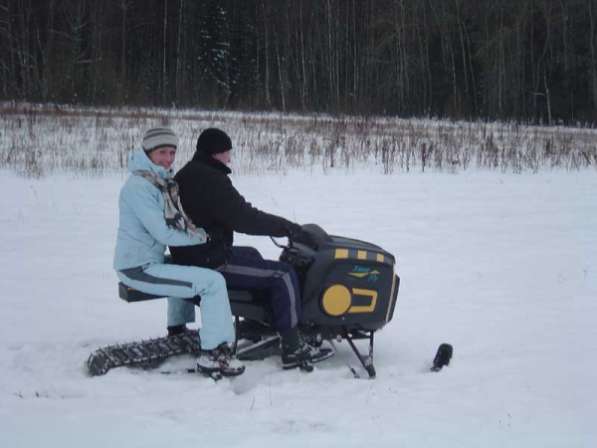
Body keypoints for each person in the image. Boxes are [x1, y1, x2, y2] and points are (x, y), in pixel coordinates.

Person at [169, 128, 334, 370]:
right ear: (217, 153)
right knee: (283, 275)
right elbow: (244, 218)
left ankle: (260, 321)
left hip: (193, 252)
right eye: (227, 153)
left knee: (252, 256)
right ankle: (292, 346)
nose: (230, 158)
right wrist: (287, 227)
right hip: (208, 260)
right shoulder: (211, 180)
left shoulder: (190, 172)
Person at [113, 127, 244, 377]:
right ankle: (215, 354)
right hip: (137, 267)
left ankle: (177, 330)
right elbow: (162, 233)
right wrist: (202, 237)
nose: (168, 159)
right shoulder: (140, 187)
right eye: (162, 152)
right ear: (148, 152)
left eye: (172, 153)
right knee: (213, 282)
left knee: (186, 267)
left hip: (146, 260)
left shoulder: (156, 181)